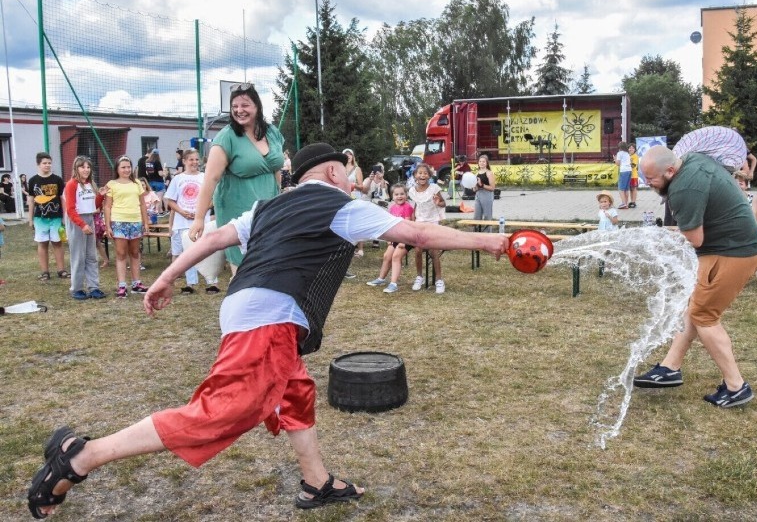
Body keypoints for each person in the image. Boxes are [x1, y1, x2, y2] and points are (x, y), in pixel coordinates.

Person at [25, 142, 508, 519]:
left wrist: (166, 277)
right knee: (220, 413)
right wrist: (488, 244)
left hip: (242, 307)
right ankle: (82, 456)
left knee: (295, 390)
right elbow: (418, 235)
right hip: (269, 317)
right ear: (335, 172)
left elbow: (213, 238)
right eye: (345, 171)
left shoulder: (268, 207)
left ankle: (315, 481)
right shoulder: (340, 204)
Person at [633, 146, 757, 408]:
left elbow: (694, 238)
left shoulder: (683, 190)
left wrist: (660, 238)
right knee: (691, 308)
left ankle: (736, 386)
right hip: (725, 246)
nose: (648, 185)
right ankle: (670, 367)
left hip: (733, 252)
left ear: (670, 170)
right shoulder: (693, 160)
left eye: (652, 179)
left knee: (704, 316)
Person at [189, 83, 284, 272]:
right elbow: (210, 179)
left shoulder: (272, 132)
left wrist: (283, 196)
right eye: (235, 107)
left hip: (268, 208)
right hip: (238, 209)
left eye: (245, 105)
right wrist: (199, 218)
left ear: (257, 106)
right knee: (244, 267)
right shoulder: (226, 137)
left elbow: (278, 169)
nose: (239, 110)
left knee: (269, 263)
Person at [164, 149, 219, 294]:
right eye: (191, 160)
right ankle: (190, 283)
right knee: (186, 252)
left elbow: (214, 198)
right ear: (184, 161)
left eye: (196, 159)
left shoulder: (205, 177)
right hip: (183, 222)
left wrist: (201, 212)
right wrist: (182, 212)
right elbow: (170, 200)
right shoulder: (178, 179)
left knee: (206, 250)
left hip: (202, 221)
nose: (194, 162)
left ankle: (212, 282)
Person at [104, 155, 149, 298]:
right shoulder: (111, 184)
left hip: (135, 222)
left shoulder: (136, 183)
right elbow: (107, 206)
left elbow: (142, 204)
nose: (126, 169)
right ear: (117, 168)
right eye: (123, 167)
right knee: (121, 253)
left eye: (128, 167)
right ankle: (122, 285)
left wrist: (145, 222)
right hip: (119, 222)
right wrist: (108, 225)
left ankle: (137, 283)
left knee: (135, 253)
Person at [63, 156, 107, 300]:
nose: (86, 170)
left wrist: (100, 196)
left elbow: (94, 205)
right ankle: (76, 288)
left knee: (91, 256)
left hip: (89, 218)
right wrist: (82, 224)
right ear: (76, 168)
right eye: (83, 167)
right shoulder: (71, 184)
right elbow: (70, 209)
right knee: (78, 256)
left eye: (88, 167)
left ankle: (93, 287)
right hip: (77, 220)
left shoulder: (90, 184)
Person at [366, 183, 415, 293]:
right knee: (387, 256)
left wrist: (403, 241)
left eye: (402, 194)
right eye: (396, 194)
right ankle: (381, 279)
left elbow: (407, 226)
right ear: (392, 196)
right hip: (396, 237)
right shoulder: (392, 208)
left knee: (396, 257)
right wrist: (390, 239)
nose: (399, 196)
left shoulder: (407, 207)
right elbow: (391, 225)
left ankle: (393, 284)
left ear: (406, 195)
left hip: (407, 238)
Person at [28, 152, 69, 281]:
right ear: (38, 164)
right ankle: (45, 271)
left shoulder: (57, 179)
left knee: (57, 243)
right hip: (40, 218)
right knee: (42, 243)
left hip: (56, 217)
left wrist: (64, 215)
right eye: (44, 163)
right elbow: (31, 200)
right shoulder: (33, 180)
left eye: (49, 163)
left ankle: (61, 270)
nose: (47, 165)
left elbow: (63, 199)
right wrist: (30, 219)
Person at [408, 162, 447, 293]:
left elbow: (443, 203)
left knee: (433, 251)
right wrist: (413, 222)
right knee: (418, 250)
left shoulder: (434, 188)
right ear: (415, 175)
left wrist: (438, 202)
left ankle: (439, 280)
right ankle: (419, 277)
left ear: (429, 176)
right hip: (420, 223)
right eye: (420, 173)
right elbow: (415, 206)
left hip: (433, 222)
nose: (422, 175)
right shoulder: (412, 191)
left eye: (425, 173)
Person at [733, 170, 757, 277]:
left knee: (755, 237)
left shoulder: (752, 197)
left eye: (741, 183)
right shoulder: (729, 198)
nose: (738, 186)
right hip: (734, 228)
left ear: (746, 186)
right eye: (735, 183)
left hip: (749, 227)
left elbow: (756, 216)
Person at [474, 154, 496, 229]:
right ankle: (476, 233)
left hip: (487, 195)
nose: (481, 163)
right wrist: (474, 187)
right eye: (480, 161)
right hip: (478, 194)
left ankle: (488, 234)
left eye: (483, 161)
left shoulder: (489, 173)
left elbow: (492, 188)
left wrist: (482, 185)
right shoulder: (476, 173)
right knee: (477, 216)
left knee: (487, 215)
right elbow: (475, 188)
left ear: (487, 163)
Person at [614, 141, 632, 209]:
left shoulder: (619, 153)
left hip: (623, 171)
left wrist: (615, 159)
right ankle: (626, 203)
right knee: (626, 189)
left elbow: (618, 164)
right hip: (629, 170)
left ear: (619, 147)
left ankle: (623, 203)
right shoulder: (627, 153)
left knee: (621, 189)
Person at [628, 143, 639, 208]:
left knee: (634, 188)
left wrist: (627, 164)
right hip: (629, 175)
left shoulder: (635, 156)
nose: (631, 149)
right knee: (630, 189)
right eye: (630, 148)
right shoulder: (627, 156)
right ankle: (631, 201)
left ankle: (634, 201)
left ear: (635, 149)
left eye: (632, 148)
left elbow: (633, 165)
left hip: (634, 175)